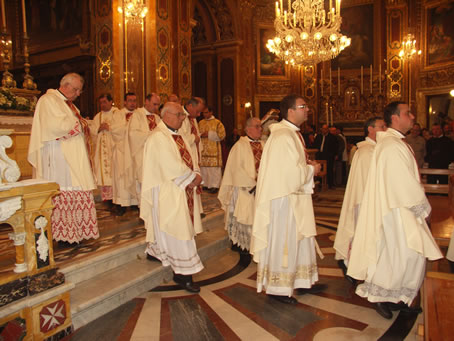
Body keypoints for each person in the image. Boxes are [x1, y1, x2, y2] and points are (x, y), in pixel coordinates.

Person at [347, 101, 443, 319]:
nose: (412, 117)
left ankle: (398, 295)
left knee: (406, 256)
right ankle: (379, 296)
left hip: (400, 208)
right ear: (395, 118)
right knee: (395, 255)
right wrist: (423, 208)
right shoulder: (391, 145)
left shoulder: (395, 142)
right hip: (397, 210)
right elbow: (402, 183)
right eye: (407, 113)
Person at [251, 94, 323, 304]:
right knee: (286, 242)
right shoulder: (283, 136)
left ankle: (299, 280)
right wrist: (312, 169)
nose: (307, 110)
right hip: (284, 201)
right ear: (290, 111)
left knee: (298, 240)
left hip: (293, 198)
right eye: (303, 107)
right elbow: (290, 175)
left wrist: (307, 164)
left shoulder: (290, 134)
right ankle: (278, 288)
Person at [140, 102, 204, 293]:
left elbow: (191, 157)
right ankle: (184, 274)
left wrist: (197, 172)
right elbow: (171, 166)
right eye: (179, 115)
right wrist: (193, 178)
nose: (183, 118)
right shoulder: (158, 137)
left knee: (169, 227)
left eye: (183, 116)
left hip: (181, 187)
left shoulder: (178, 135)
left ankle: (156, 251)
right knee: (178, 230)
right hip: (169, 189)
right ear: (166, 115)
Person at [28, 73, 99, 243]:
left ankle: (74, 232)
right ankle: (63, 235)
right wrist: (79, 123)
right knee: (64, 189)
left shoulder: (66, 104)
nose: (78, 94)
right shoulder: (48, 100)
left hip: (70, 155)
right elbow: (54, 126)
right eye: (77, 90)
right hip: (58, 156)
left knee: (76, 188)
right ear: (67, 86)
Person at [334, 117, 386, 282]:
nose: (385, 130)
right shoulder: (366, 152)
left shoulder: (375, 149)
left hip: (371, 202)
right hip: (365, 203)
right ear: (370, 129)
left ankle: (354, 265)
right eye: (382, 127)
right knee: (361, 236)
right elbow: (367, 183)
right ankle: (350, 264)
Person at [218, 117, 264, 252]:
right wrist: (253, 184)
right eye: (257, 126)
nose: (260, 129)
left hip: (261, 190)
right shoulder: (240, 146)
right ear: (248, 129)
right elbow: (236, 169)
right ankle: (242, 246)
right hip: (246, 189)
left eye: (261, 126)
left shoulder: (264, 144)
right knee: (245, 219)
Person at [125, 93, 161, 200]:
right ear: (146, 101)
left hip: (156, 157)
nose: (156, 107)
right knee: (144, 183)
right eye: (154, 104)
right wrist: (152, 134)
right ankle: (144, 211)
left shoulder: (157, 118)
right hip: (142, 155)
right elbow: (133, 135)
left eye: (158, 105)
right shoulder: (137, 115)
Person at [111, 92, 139, 215]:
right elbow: (115, 130)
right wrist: (129, 127)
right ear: (125, 102)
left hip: (134, 151)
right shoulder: (118, 114)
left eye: (134, 100)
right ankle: (121, 204)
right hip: (121, 150)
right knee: (121, 177)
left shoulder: (139, 114)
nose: (132, 103)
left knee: (135, 176)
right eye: (130, 101)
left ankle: (135, 202)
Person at [89, 93, 118, 208]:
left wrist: (110, 128)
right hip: (102, 150)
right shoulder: (98, 116)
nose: (102, 105)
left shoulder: (117, 113)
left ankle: (116, 199)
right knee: (103, 173)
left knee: (115, 171)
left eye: (105, 102)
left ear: (111, 102)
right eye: (101, 102)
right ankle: (107, 199)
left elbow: (122, 128)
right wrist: (98, 129)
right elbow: (92, 130)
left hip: (114, 148)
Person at [199, 106, 226, 193]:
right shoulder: (200, 122)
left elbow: (222, 135)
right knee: (204, 168)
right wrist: (200, 134)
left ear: (211, 112)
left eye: (206, 112)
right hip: (203, 149)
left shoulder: (217, 123)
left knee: (213, 169)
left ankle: (214, 185)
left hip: (214, 150)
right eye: (203, 113)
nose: (205, 114)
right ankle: (205, 184)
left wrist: (209, 134)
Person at [313, 124, 338, 188]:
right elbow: (314, 145)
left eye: (325, 129)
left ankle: (330, 184)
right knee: (319, 169)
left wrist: (335, 155)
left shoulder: (332, 137)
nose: (324, 130)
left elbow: (335, 147)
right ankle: (320, 183)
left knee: (329, 169)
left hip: (328, 156)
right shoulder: (318, 136)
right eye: (323, 128)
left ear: (328, 129)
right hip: (319, 155)